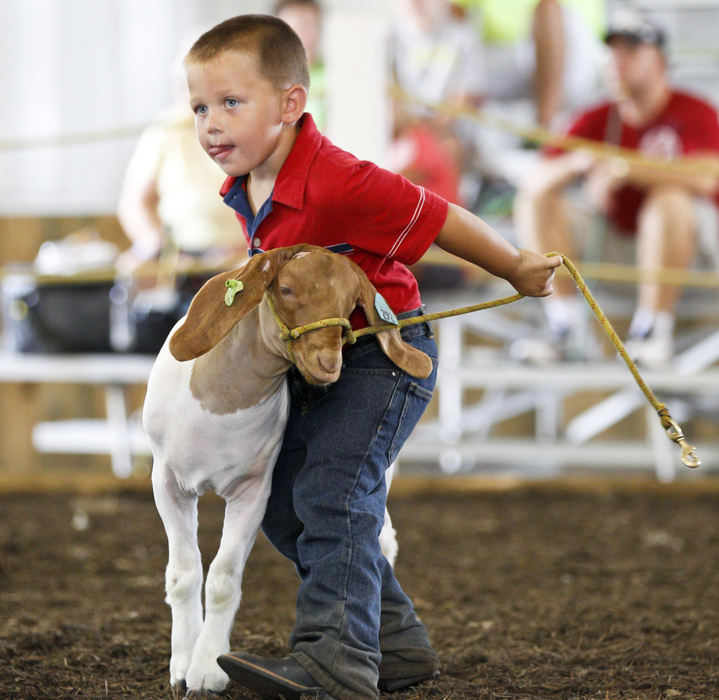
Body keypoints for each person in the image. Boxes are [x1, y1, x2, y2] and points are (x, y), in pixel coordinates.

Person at [182, 15, 559, 700]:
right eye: (200, 106)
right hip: (313, 358)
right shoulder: (247, 184)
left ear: (291, 104)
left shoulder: (338, 179)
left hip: (382, 356)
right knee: (282, 504)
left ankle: (337, 660)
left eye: (230, 103)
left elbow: (436, 214)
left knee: (333, 492)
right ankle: (394, 642)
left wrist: (512, 265)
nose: (211, 123)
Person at [513, 9, 719, 367]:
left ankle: (654, 328)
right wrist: (579, 163)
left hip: (692, 256)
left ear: (660, 60)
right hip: (616, 251)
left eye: (631, 51)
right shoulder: (596, 116)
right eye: (613, 51)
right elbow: (534, 181)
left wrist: (625, 168)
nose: (617, 61)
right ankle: (566, 326)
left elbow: (707, 177)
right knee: (538, 197)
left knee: (669, 199)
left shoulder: (694, 110)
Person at [388, 0, 486, 206]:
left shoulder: (463, 37)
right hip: (401, 131)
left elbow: (465, 99)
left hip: (449, 134)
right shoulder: (384, 37)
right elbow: (389, 103)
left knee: (443, 151)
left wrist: (427, 134)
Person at [274, 0, 328, 131]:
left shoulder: (335, 73)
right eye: (295, 27)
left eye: (308, 25)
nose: (303, 34)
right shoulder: (266, 78)